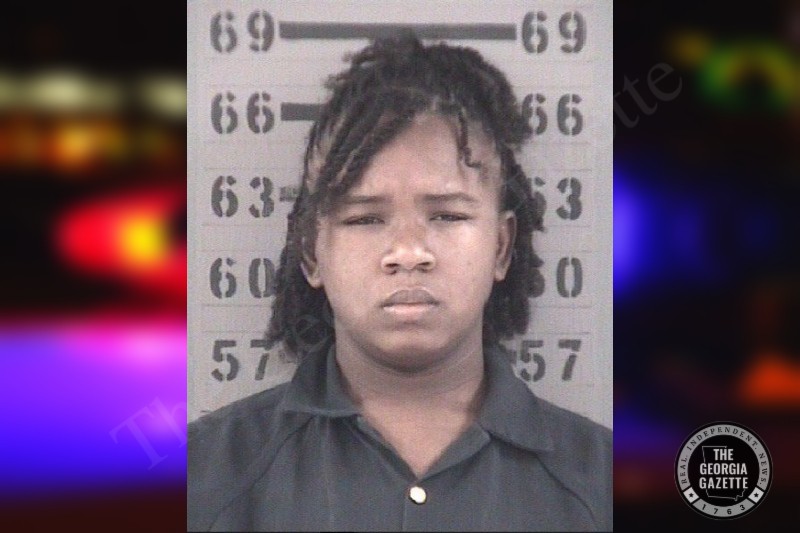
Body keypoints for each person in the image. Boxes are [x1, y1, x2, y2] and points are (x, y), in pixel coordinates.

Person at [188, 33, 612, 531]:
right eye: (365, 219)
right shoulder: (203, 478)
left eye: (448, 216)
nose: (409, 252)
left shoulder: (601, 485)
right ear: (310, 252)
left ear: (501, 247)